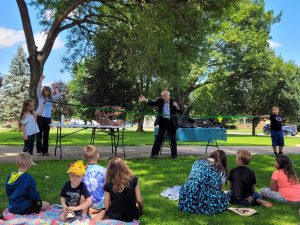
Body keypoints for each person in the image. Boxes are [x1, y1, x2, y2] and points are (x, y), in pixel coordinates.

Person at [92, 157, 143, 223]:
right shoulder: (134, 179)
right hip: (132, 216)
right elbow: (139, 200)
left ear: (109, 169)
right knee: (136, 204)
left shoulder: (108, 184)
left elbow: (106, 207)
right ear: (124, 166)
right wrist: (141, 207)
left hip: (114, 216)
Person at [178, 150, 229, 214]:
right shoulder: (220, 169)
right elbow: (220, 188)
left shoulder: (197, 162)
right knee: (224, 198)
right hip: (206, 197)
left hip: (187, 195)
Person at [139, 90, 181, 159]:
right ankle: (154, 155)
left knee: (173, 139)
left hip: (172, 122)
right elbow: (152, 103)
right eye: (162, 96)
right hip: (163, 121)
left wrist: (176, 107)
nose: (163, 97)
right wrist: (145, 100)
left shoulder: (174, 101)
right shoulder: (160, 101)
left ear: (168, 96)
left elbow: (180, 111)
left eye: (165, 96)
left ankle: (174, 155)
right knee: (159, 138)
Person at [36, 75, 62, 156]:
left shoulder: (51, 99)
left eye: (48, 91)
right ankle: (39, 151)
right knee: (39, 134)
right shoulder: (40, 96)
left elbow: (59, 95)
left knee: (46, 135)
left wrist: (56, 87)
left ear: (49, 92)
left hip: (48, 118)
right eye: (45, 91)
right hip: (40, 117)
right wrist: (40, 80)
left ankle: (45, 151)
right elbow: (38, 88)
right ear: (43, 91)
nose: (46, 92)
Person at [82, 145, 107, 214]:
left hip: (85, 204)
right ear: (98, 155)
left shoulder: (81, 171)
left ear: (84, 157)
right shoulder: (104, 170)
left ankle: (89, 210)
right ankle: (98, 211)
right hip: (101, 205)